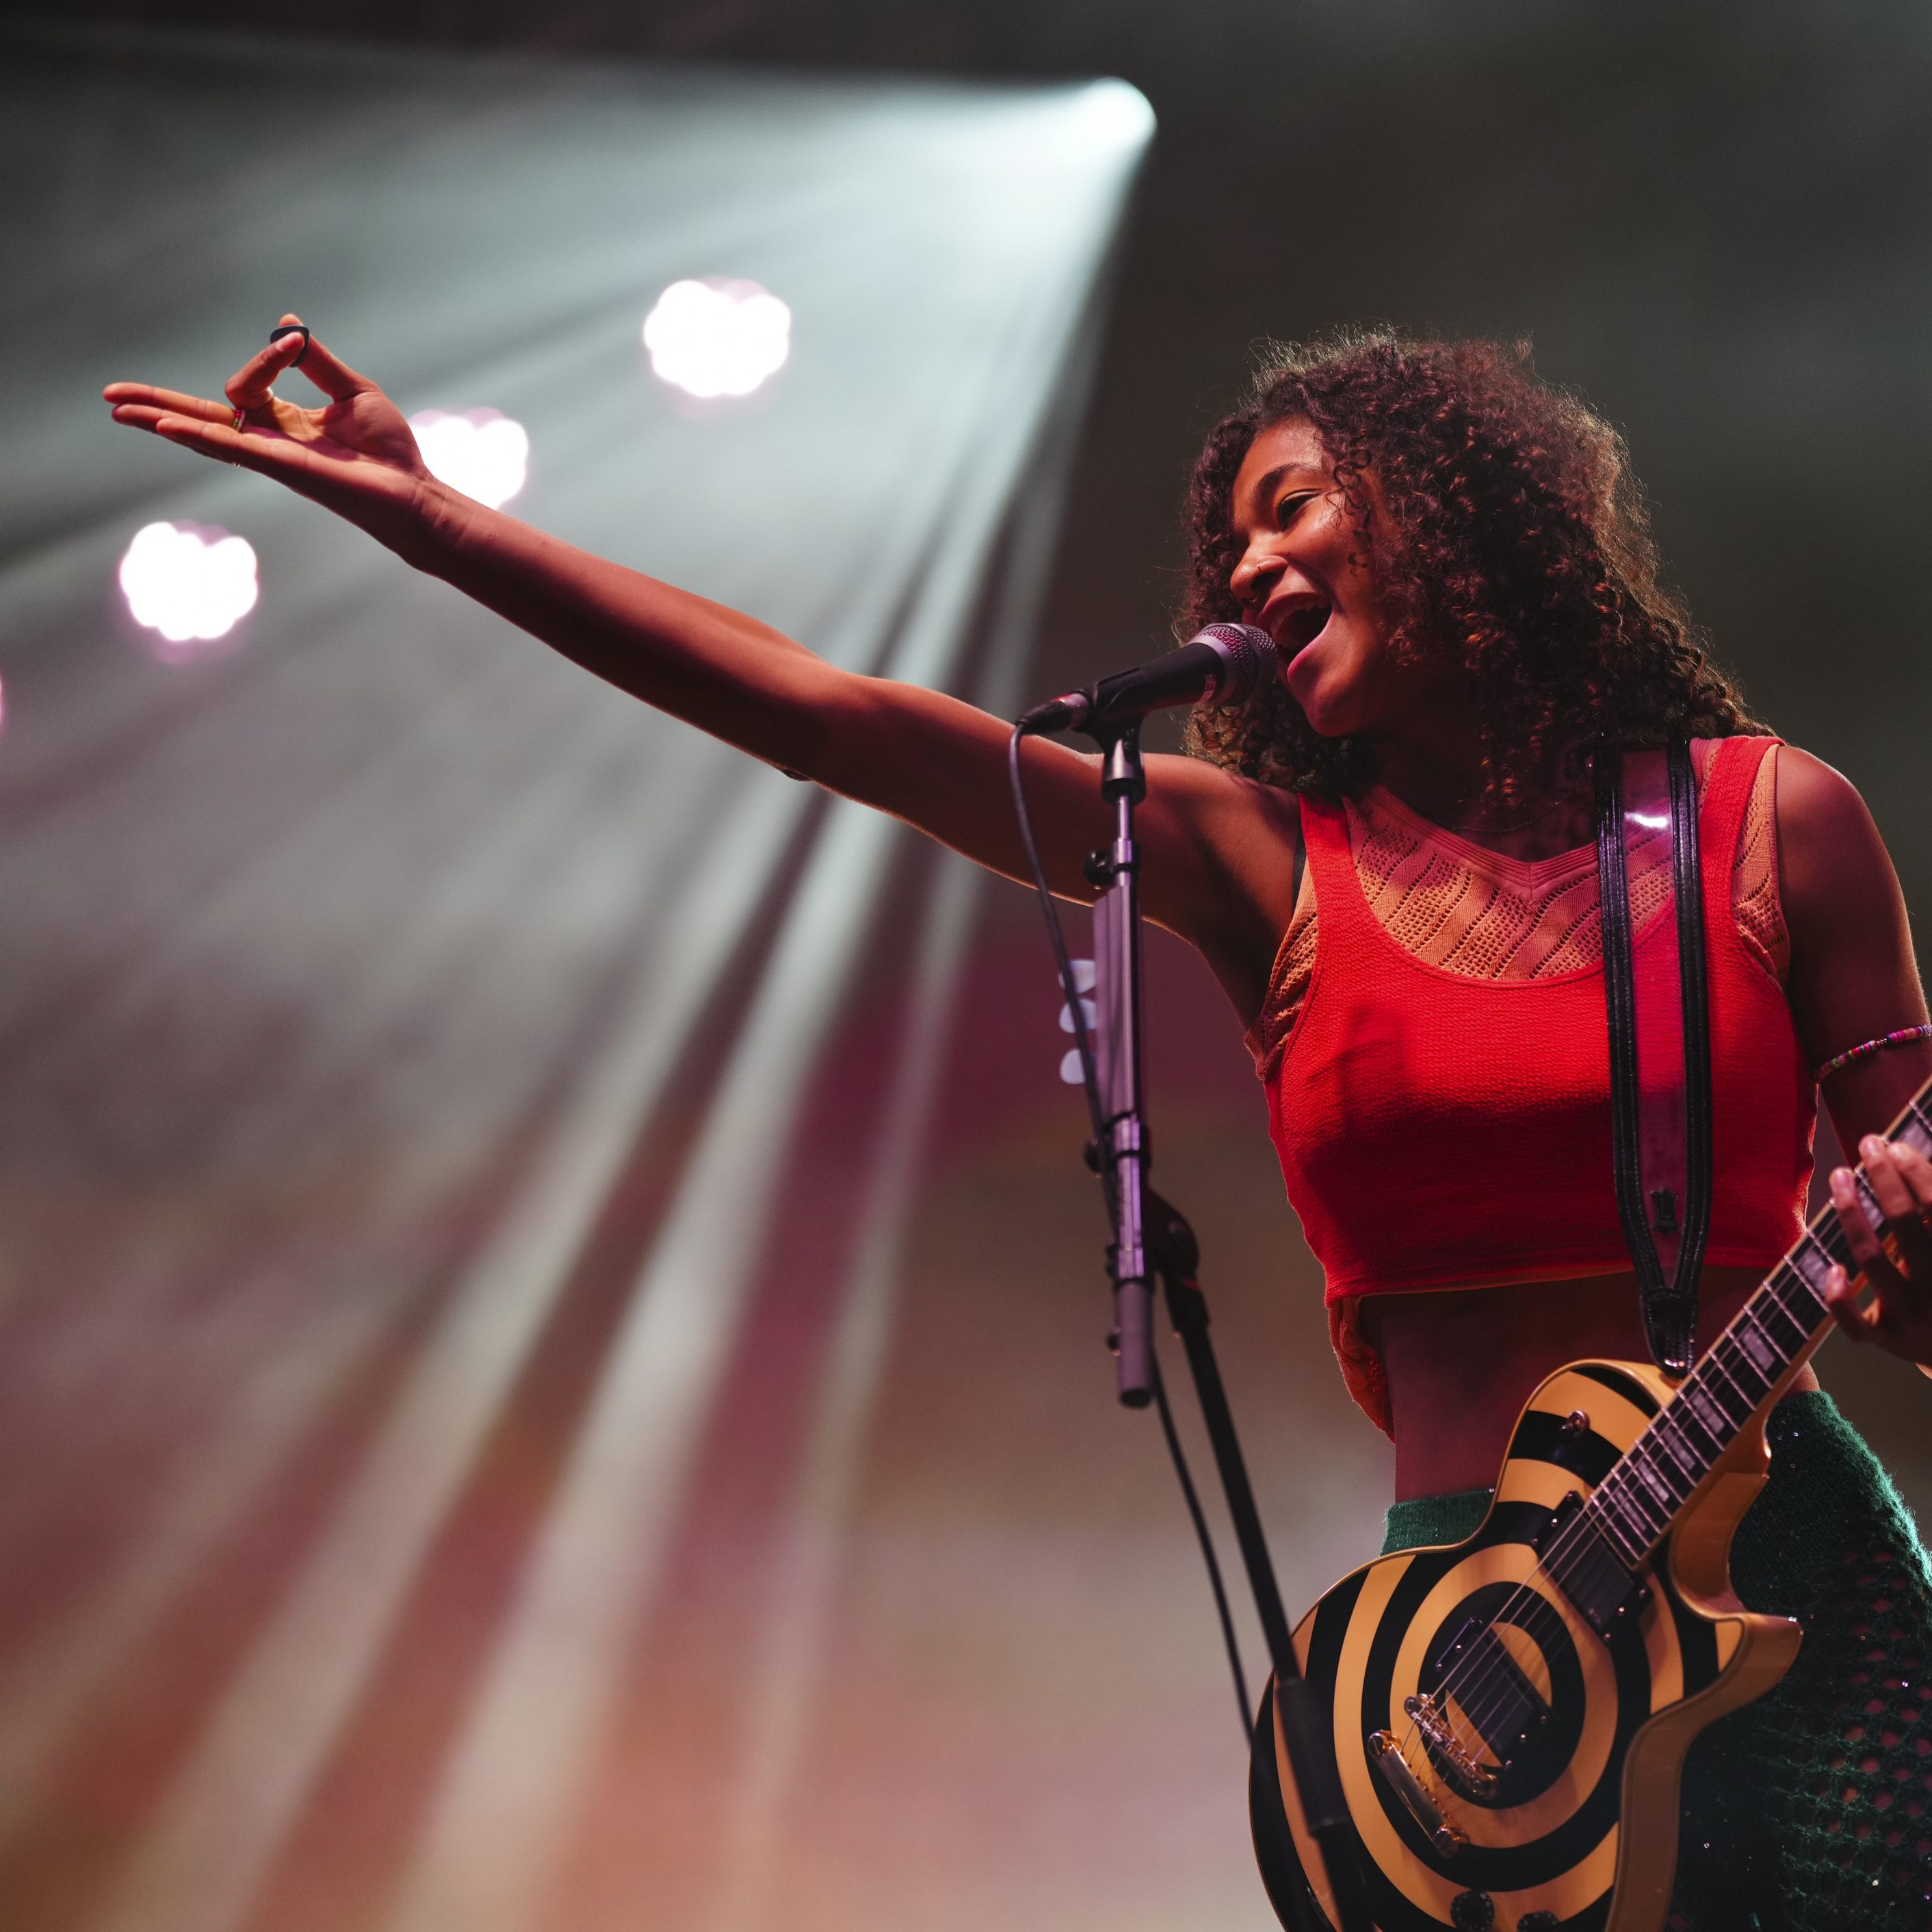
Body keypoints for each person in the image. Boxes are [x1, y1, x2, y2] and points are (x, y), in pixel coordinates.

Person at [106, 322, 1932, 1927]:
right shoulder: (1261, 860)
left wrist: (1903, 1258)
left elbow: (1918, 1292)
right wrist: (437, 522)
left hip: (1785, 1567)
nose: (1254, 563)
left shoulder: (1772, 823)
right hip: (1458, 1661)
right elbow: (837, 722)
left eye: (1298, 505)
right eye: (1231, 541)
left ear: (1459, 509)